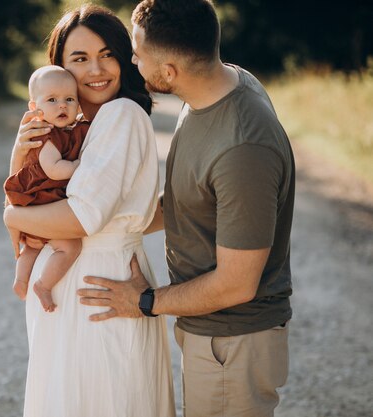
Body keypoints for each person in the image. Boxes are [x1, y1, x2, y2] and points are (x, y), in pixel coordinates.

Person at [77, 1, 296, 416]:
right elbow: (186, 203)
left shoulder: (242, 148)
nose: (133, 61)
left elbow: (237, 284)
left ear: (170, 71)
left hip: (233, 342)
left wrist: (142, 301)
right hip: (211, 334)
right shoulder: (215, 89)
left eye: (138, 54)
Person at [3, 4, 175, 417]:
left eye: (107, 54)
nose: (96, 69)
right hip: (77, 282)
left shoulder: (120, 113)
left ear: (125, 57)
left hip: (98, 283)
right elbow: (29, 192)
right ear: (59, 70)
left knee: (104, 397)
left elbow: (79, 218)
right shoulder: (76, 131)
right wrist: (21, 150)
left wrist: (11, 216)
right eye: (79, 59)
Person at [4, 65, 88, 313]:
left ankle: (21, 281)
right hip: (43, 200)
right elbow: (54, 170)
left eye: (69, 100)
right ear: (34, 108)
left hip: (41, 200)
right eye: (52, 100)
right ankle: (42, 285)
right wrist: (77, 165)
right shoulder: (47, 135)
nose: (62, 106)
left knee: (32, 246)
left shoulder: (66, 131)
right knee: (70, 246)